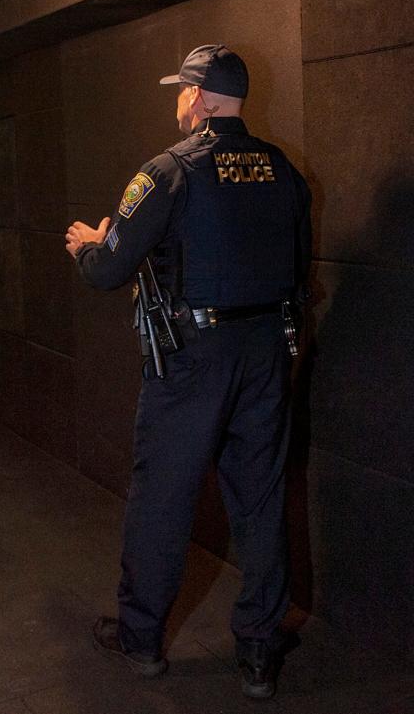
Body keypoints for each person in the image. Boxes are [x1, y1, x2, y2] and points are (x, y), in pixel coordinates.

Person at [64, 45, 311, 700]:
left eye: (182, 91)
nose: (177, 101)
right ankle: (259, 652)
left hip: (193, 359)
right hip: (265, 352)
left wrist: (91, 246)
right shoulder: (283, 169)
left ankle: (142, 639)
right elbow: (298, 269)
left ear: (199, 98)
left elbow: (110, 268)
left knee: (163, 497)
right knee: (260, 502)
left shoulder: (170, 171)